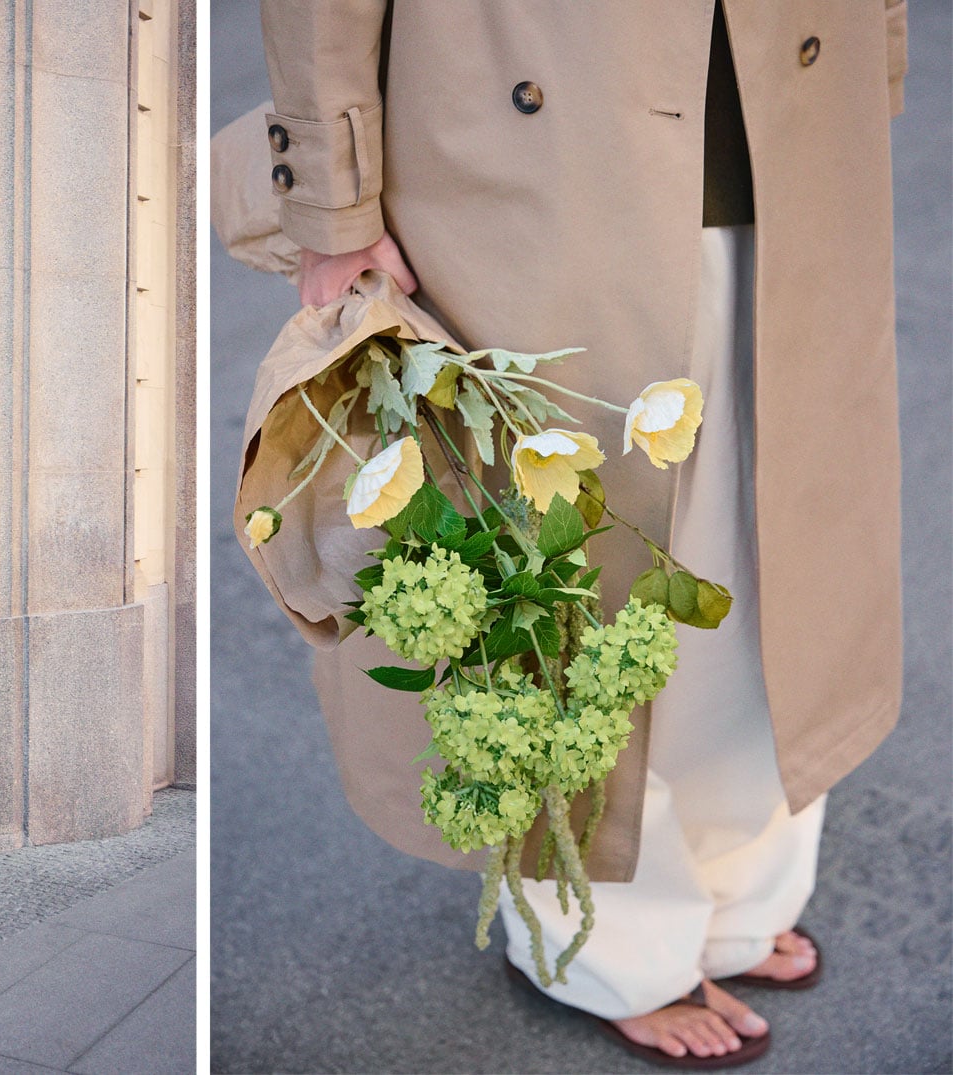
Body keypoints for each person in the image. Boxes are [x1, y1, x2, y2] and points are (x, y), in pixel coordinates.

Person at [253, 0, 905, 1065]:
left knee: (777, 533)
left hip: (798, 93)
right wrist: (330, 194)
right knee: (575, 569)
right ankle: (600, 942)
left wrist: (874, 59)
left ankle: (741, 885)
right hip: (525, 134)